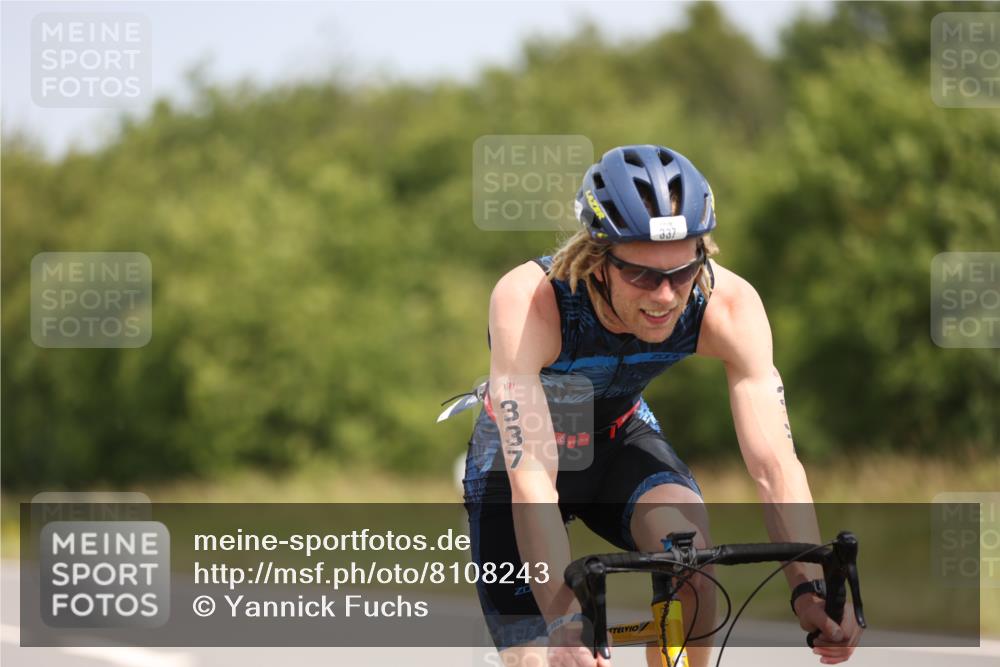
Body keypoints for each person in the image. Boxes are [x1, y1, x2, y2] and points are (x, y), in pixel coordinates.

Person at [449, 145, 863, 667]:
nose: (666, 295)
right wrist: (564, 621)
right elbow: (533, 478)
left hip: (621, 436)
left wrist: (808, 588)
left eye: (683, 271)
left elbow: (775, 466)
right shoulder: (533, 300)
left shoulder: (726, 305)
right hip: (519, 461)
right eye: (642, 275)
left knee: (690, 560)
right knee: (544, 657)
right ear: (598, 259)